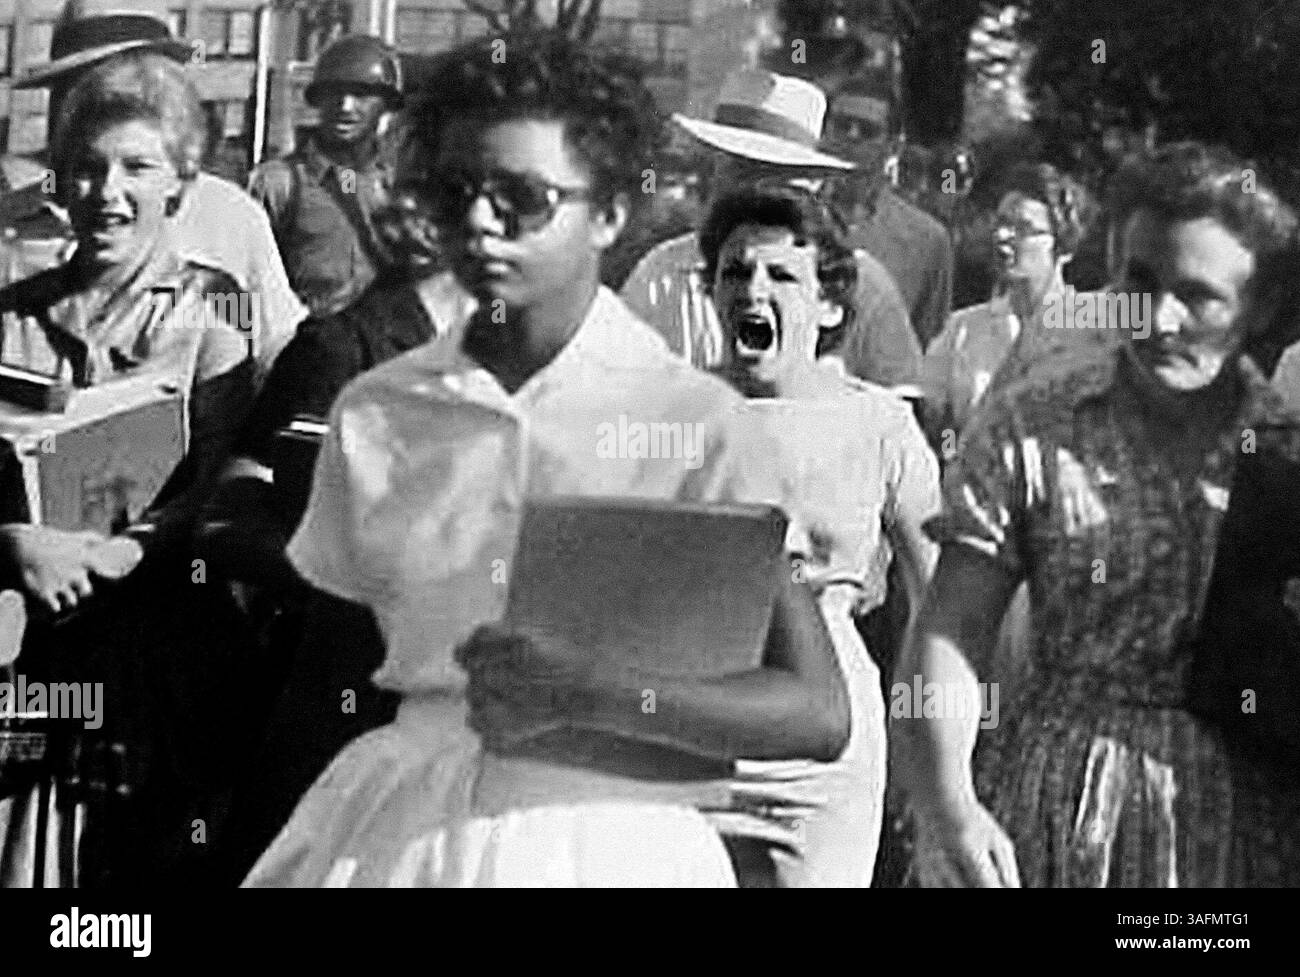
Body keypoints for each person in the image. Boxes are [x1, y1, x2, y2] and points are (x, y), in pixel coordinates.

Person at [242, 31, 849, 888]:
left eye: (524, 198)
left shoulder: (695, 421)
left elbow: (816, 712)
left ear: (605, 212)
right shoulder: (378, 412)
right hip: (401, 835)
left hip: (615, 840)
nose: (482, 225)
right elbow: (333, 682)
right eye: (457, 194)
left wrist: (594, 693)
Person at [893, 142, 1300, 888]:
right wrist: (950, 805)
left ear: (1260, 306)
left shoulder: (1285, 453)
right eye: (1138, 282)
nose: (1159, 318)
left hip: (1242, 830)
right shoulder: (1035, 425)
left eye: (1199, 295)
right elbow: (952, 630)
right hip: (1061, 800)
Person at [0, 53, 256, 887]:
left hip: (162, 654)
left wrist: (133, 548)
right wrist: (16, 541)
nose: (108, 191)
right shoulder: (12, 319)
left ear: (181, 181)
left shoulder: (217, 314)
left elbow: (225, 480)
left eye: (138, 167)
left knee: (145, 877)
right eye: (86, 167)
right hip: (30, 646)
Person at [700, 186, 940, 886]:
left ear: (830, 304)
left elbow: (939, 602)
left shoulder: (880, 425)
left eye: (781, 275)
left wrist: (928, 757)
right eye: (735, 271)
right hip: (693, 734)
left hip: (826, 743)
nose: (753, 289)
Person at [2, 0, 307, 376]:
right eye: (80, 87)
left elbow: (271, 352)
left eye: (134, 79)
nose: (107, 101)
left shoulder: (231, 220)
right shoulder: (11, 222)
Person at [619, 69, 925, 399]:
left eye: (778, 176)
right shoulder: (662, 276)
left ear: (813, 185)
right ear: (715, 171)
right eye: (741, 169)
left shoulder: (860, 284)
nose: (756, 193)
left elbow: (904, 400)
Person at [922, 163, 1096, 441]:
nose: (1003, 236)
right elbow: (932, 424)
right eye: (1002, 223)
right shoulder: (963, 329)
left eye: (1023, 228)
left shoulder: (1093, 330)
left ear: (1062, 244)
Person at [248, 35, 403, 318]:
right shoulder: (279, 183)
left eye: (361, 95)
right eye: (334, 93)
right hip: (309, 345)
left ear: (386, 104)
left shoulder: (402, 185)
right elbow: (245, 280)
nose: (345, 106)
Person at [823, 83, 954, 351]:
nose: (851, 137)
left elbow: (927, 344)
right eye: (841, 124)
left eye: (867, 131)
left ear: (893, 145)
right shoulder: (790, 213)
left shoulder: (927, 240)